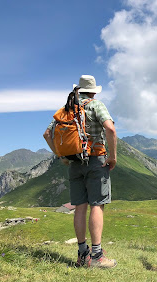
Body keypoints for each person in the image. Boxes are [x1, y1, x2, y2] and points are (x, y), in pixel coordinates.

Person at [43, 75, 117, 268]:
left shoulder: (67, 108)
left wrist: (62, 156)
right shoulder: (96, 105)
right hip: (96, 161)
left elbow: (47, 133)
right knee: (97, 205)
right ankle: (97, 256)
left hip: (75, 163)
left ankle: (82, 255)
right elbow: (110, 129)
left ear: (78, 90)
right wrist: (113, 157)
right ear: (93, 91)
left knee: (80, 206)